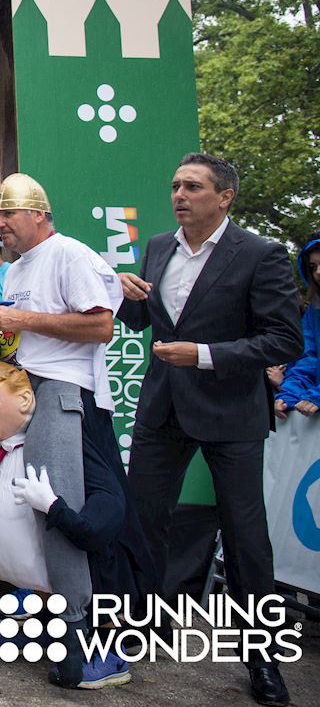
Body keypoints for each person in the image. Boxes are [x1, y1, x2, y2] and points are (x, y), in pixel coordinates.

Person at [117, 154, 302, 707]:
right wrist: (125, 295)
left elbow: (283, 341)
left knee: (247, 542)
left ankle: (264, 661)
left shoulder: (261, 254)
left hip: (231, 415)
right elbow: (139, 321)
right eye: (175, 185)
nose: (179, 194)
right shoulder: (156, 247)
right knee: (141, 523)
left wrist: (202, 355)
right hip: (163, 410)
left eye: (193, 187)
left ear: (225, 197)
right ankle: (131, 629)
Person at [0, 174, 122, 647]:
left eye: (7, 215)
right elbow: (19, 339)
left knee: (50, 501)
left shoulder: (69, 253)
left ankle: (76, 628)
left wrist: (20, 319)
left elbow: (101, 326)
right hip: (20, 389)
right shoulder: (20, 266)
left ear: (39, 215)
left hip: (64, 392)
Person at [0, 362, 151, 689]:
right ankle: (44, 627)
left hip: (68, 390)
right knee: (38, 545)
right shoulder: (7, 437)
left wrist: (57, 508)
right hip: (33, 380)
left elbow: (102, 519)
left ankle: (108, 648)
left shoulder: (65, 435)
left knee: (78, 556)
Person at [274, 231, 320, 418]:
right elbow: (307, 358)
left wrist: (316, 396)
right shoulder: (314, 313)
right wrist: (288, 395)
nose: (318, 272)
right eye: (313, 266)